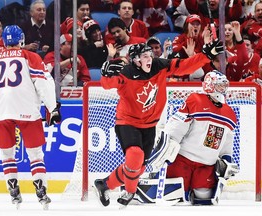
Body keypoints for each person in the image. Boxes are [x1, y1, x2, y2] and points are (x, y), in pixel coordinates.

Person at [93, 39, 224, 207]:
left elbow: (184, 66)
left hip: (149, 125)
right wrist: (105, 72)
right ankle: (130, 191)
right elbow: (106, 85)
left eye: (150, 55)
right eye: (145, 56)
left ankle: (104, 185)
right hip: (127, 122)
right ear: (135, 60)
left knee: (138, 168)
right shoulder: (126, 71)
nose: (150, 59)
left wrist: (205, 56)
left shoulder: (158, 65)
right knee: (135, 155)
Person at [0, 25, 61, 209]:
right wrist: (53, 108)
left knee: (6, 154)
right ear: (22, 40)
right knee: (35, 155)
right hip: (26, 110)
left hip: (1, 112)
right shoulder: (30, 56)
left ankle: (13, 191)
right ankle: (41, 191)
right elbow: (43, 83)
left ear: (4, 40)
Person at [135, 71, 240, 205]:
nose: (223, 89)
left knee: (203, 197)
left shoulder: (230, 113)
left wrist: (226, 160)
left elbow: (227, 142)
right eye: (219, 85)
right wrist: (167, 143)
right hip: (184, 159)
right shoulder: (196, 100)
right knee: (172, 195)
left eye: (224, 85)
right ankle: (136, 190)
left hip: (207, 165)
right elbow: (177, 125)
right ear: (209, 85)